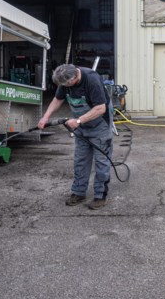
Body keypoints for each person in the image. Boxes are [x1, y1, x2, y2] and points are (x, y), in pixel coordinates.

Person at [38, 64, 112, 210]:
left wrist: (78, 121)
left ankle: (100, 195)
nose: (65, 87)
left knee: (101, 161)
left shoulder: (91, 80)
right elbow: (58, 99)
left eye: (66, 84)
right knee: (80, 160)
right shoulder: (64, 79)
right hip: (81, 127)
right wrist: (45, 117)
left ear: (74, 78)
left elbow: (100, 108)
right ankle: (79, 192)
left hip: (99, 124)